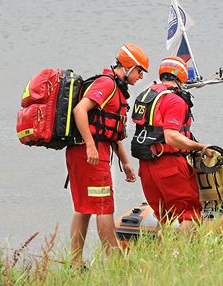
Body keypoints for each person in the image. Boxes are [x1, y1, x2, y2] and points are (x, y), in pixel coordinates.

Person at [66, 43, 149, 266]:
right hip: (90, 153)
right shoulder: (106, 84)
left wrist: (125, 162)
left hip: (86, 151)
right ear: (129, 67)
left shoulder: (117, 90)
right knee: (104, 206)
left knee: (84, 208)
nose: (140, 76)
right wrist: (91, 146)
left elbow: (112, 132)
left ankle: (76, 264)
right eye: (139, 71)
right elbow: (79, 110)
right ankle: (114, 262)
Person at [130, 56, 211, 232]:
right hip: (169, 165)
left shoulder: (148, 94)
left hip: (146, 166)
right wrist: (201, 147)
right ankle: (183, 257)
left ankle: (162, 257)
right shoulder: (175, 100)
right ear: (181, 77)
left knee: (165, 216)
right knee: (191, 213)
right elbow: (171, 137)